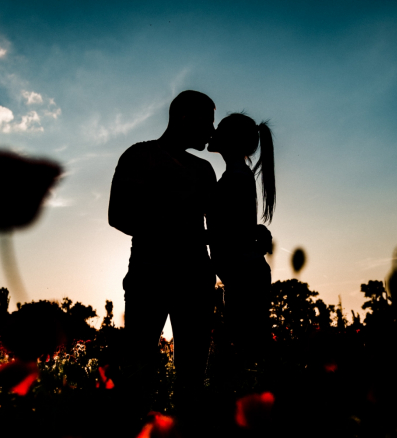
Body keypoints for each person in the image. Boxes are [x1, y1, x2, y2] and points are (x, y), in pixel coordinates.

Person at [108, 90, 217, 411]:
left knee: (193, 377)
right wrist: (178, 222)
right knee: (136, 368)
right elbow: (119, 215)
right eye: (207, 121)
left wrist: (252, 232)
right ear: (185, 117)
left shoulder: (204, 170)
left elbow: (220, 225)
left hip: (197, 280)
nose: (211, 130)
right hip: (149, 274)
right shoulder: (140, 156)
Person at [206, 112, 275, 387]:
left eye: (219, 128)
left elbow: (228, 232)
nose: (212, 131)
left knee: (244, 356)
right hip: (245, 274)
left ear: (230, 140)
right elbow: (240, 226)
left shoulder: (234, 178)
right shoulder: (238, 176)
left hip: (245, 276)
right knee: (247, 353)